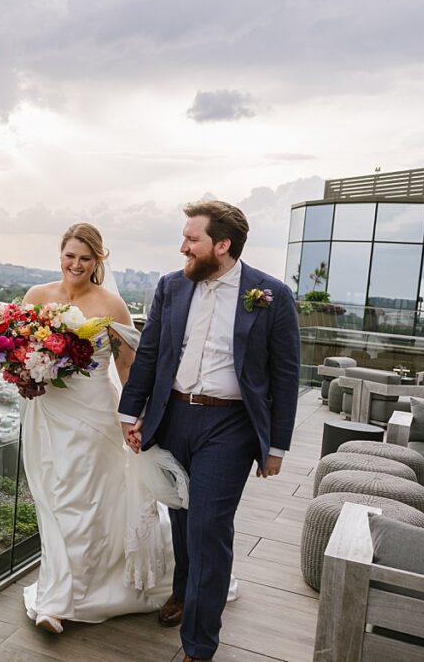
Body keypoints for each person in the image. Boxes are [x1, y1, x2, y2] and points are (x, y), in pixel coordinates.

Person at [119, 201, 301, 662]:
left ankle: (199, 646)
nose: (183, 247)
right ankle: (182, 593)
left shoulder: (271, 295)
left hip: (231, 425)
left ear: (222, 245)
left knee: (209, 527)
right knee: (181, 519)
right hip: (173, 418)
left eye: (192, 239)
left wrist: (276, 445)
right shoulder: (171, 286)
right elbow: (151, 353)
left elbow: (285, 375)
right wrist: (131, 414)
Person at [20, 223, 176, 634]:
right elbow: (20, 349)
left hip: (93, 415)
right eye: (70, 255)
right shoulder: (36, 297)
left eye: (85, 258)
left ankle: (59, 602)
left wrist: (134, 418)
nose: (76, 264)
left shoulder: (112, 304)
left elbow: (126, 366)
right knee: (52, 501)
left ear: (98, 261)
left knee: (84, 501)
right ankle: (60, 588)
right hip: (46, 414)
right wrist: (22, 371)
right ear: (60, 254)